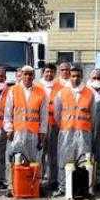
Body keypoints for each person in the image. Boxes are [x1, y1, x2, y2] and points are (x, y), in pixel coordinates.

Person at [5, 65, 48, 196]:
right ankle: (12, 186)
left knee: (35, 160)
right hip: (17, 132)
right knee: (14, 160)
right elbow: (8, 113)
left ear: (34, 76)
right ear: (21, 75)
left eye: (30, 74)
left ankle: (35, 185)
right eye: (25, 74)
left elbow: (44, 115)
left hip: (34, 133)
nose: (28, 77)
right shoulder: (13, 90)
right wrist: (9, 128)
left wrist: (42, 133)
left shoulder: (41, 92)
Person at [54, 66, 98, 197]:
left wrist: (88, 129)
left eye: (78, 76)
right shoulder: (61, 93)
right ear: (69, 76)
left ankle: (85, 189)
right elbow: (57, 114)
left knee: (84, 161)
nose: (75, 78)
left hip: (83, 132)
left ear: (82, 76)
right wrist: (64, 125)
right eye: (73, 76)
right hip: (66, 132)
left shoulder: (89, 93)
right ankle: (63, 187)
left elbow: (93, 115)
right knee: (64, 160)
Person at [38, 63, 64, 192]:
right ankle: (39, 179)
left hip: (54, 124)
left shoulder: (60, 87)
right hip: (39, 126)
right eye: (47, 72)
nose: (49, 74)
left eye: (52, 72)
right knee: (39, 154)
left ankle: (53, 180)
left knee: (53, 154)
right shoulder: (37, 86)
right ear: (43, 73)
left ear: (55, 73)